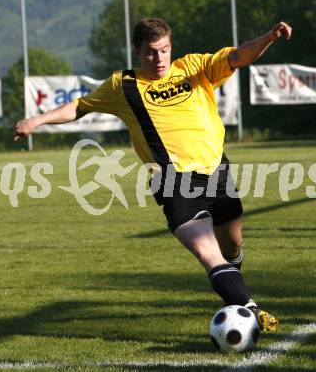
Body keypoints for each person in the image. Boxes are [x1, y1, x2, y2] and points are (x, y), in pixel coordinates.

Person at [14, 18, 292, 332]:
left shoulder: (194, 67)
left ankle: (234, 283)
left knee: (232, 246)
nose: (158, 59)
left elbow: (240, 56)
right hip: (174, 184)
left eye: (163, 50)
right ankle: (250, 310)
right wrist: (37, 121)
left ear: (170, 47)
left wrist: (269, 37)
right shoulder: (124, 85)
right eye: (150, 52)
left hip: (217, 171)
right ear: (137, 51)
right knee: (207, 252)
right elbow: (80, 107)